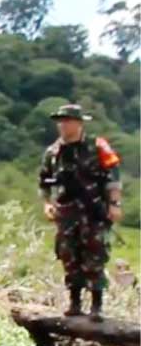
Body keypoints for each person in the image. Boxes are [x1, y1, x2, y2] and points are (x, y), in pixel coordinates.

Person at [38, 104, 123, 318]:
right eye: (60, 121)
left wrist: (114, 205)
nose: (63, 125)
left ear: (79, 123)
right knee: (69, 256)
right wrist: (47, 203)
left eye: (67, 120)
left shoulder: (98, 147)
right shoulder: (53, 152)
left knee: (95, 256)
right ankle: (74, 303)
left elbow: (114, 177)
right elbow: (44, 181)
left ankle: (97, 306)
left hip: (94, 211)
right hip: (66, 213)